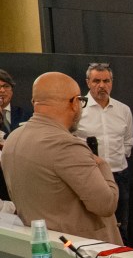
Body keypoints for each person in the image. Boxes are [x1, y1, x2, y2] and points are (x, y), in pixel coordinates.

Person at [1, 72, 120, 244]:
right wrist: (103, 165)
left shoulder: (13, 138)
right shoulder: (66, 145)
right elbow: (105, 205)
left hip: (43, 245)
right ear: (74, 103)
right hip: (83, 250)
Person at [75, 63, 133, 244]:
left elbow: (128, 141)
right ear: (88, 82)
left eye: (106, 81)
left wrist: (118, 157)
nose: (102, 85)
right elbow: (70, 141)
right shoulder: (77, 108)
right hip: (89, 175)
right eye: (96, 81)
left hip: (119, 175)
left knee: (121, 226)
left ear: (112, 82)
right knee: (92, 225)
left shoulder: (123, 109)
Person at [0, 69, 26, 202]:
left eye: (6, 86)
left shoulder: (25, 114)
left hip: (23, 175)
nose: (2, 90)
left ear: (12, 90)